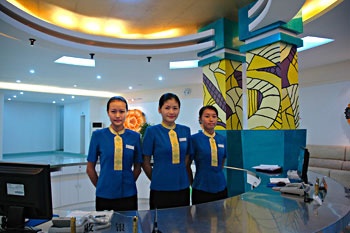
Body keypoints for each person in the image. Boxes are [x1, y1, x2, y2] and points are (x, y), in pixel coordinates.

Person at [86, 96, 142, 211]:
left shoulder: (135, 137)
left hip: (128, 194)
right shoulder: (98, 136)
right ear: (108, 112)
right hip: (104, 194)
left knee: (129, 227)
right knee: (105, 228)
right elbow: (90, 168)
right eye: (113, 111)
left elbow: (138, 167)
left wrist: (129, 182)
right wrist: (101, 185)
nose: (118, 115)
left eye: (121, 111)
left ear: (126, 112)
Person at [142, 93, 192, 209]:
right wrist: (156, 178)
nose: (171, 112)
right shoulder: (152, 131)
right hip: (160, 187)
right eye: (167, 108)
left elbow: (187, 158)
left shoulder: (185, 131)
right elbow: (145, 162)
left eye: (175, 108)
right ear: (159, 109)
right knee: (159, 224)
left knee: (182, 222)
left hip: (182, 186)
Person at [190, 105, 227, 205]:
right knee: (201, 219)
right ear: (200, 119)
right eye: (207, 116)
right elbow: (186, 164)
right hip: (201, 187)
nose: (211, 119)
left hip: (221, 186)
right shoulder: (194, 139)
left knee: (221, 218)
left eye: (214, 116)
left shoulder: (222, 139)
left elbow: (222, 162)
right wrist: (192, 183)